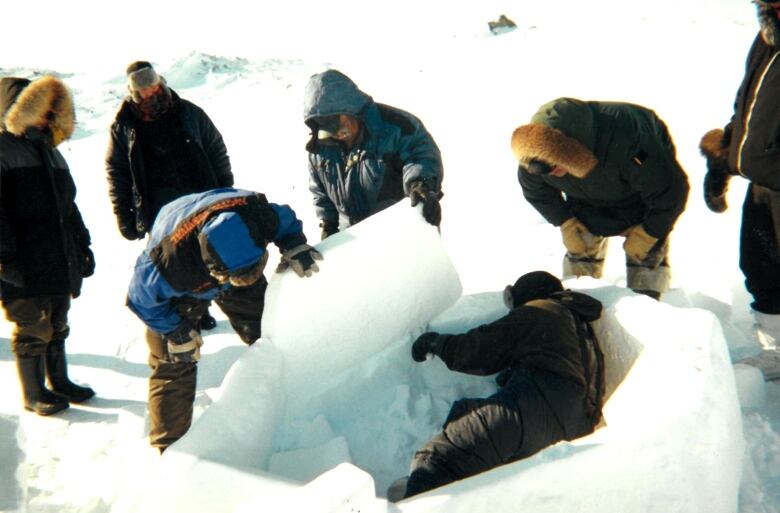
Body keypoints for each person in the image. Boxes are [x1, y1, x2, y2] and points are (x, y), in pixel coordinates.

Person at [126, 187, 322, 451]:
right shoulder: (167, 263)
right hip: (184, 276)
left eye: (256, 271)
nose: (249, 281)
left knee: (268, 330)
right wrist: (176, 331)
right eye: (241, 277)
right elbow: (140, 300)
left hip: (232, 244)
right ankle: (169, 449)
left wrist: (294, 244)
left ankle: (293, 397)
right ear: (214, 270)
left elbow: (285, 220)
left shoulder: (257, 217)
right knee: (174, 359)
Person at [395, 271, 604, 500]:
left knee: (443, 456)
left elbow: (481, 347)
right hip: (574, 425)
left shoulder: (539, 310)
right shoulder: (575, 323)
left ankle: (415, 500)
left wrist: (437, 344)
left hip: (536, 407)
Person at [511, 97, 690, 300]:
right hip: (584, 200)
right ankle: (578, 302)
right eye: (543, 170)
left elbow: (669, 191)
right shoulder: (535, 157)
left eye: (554, 166)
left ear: (571, 153)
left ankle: (647, 304)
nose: (550, 173)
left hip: (638, 197)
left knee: (645, 254)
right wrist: (565, 221)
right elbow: (536, 192)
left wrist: (650, 232)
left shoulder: (629, 141)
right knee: (580, 246)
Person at [106, 60, 234, 330]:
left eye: (154, 86)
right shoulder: (124, 127)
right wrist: (124, 215)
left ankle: (203, 306)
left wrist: (225, 189)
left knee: (205, 252)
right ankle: (186, 309)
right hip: (157, 207)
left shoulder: (188, 112)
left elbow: (215, 149)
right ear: (134, 94)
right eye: (145, 91)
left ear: (161, 82)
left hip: (198, 196)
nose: (152, 93)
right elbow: (117, 173)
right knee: (170, 259)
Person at [0, 76, 96, 416]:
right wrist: (5, 258)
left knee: (57, 321)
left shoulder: (52, 154)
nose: (44, 117)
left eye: (49, 111)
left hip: (57, 254)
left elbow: (69, 207)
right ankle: (33, 392)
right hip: (21, 258)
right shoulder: (4, 150)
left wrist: (82, 245)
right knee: (32, 324)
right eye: (38, 110)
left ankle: (60, 381)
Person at [699, 0, 780, 380]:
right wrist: (723, 158)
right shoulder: (766, 38)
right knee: (761, 266)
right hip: (763, 181)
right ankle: (777, 352)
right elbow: (745, 107)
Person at [303, 69, 444, 239]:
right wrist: (329, 224)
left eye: (336, 123)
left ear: (350, 109)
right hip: (357, 242)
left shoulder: (397, 127)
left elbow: (420, 156)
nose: (336, 133)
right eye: (327, 128)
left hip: (403, 234)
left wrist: (421, 185)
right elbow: (320, 190)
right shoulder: (320, 149)